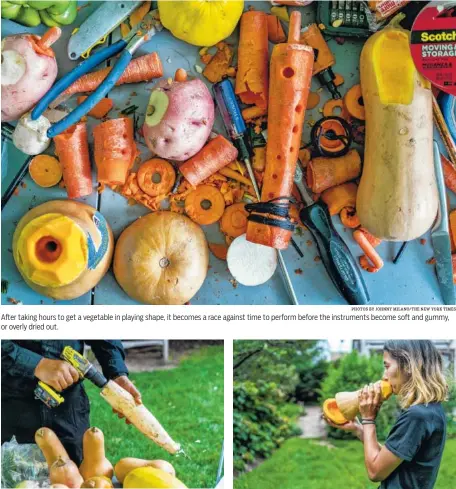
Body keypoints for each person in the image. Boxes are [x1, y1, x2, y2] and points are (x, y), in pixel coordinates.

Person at [324, 340, 448, 489]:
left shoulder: (416, 415)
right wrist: (358, 429)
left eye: (387, 366)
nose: (384, 376)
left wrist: (368, 419)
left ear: (408, 365)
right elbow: (387, 460)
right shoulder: (430, 410)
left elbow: (375, 472)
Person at [1, 340, 142, 464]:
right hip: (9, 401)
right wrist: (36, 364)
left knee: (76, 476)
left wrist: (117, 372)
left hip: (69, 406)